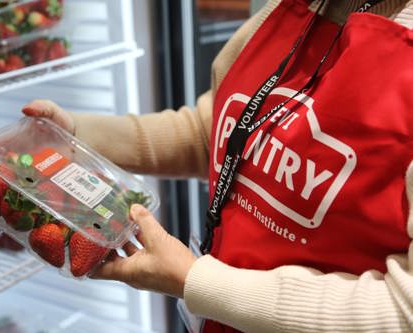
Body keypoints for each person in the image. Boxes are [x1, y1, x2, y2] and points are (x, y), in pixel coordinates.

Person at [22, 0, 413, 331]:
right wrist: (75, 134)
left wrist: (196, 281)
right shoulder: (293, 11)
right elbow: (219, 134)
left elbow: (402, 312)